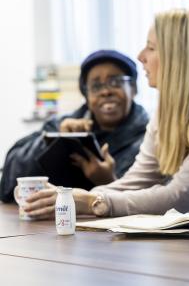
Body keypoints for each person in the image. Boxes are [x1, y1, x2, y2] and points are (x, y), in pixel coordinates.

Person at [22, 9, 189, 219]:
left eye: (151, 48)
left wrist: (92, 201)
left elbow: (182, 196)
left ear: (178, 57)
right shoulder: (168, 110)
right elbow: (138, 179)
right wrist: (70, 198)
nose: (140, 57)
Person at [0, 50, 149, 202]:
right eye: (96, 86)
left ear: (133, 88)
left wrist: (110, 182)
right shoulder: (59, 125)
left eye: (115, 82)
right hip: (52, 223)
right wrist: (55, 140)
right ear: (86, 95)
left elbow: (156, 201)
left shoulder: (151, 136)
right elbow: (9, 177)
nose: (105, 91)